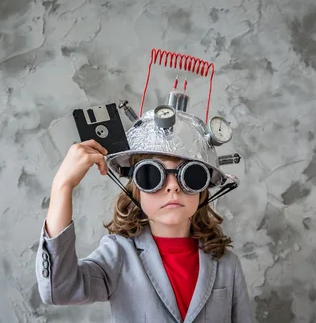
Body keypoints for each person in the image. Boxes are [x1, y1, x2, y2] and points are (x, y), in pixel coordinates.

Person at [35, 135, 255, 322]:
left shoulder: (227, 263)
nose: (173, 186)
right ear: (136, 191)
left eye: (190, 175)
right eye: (152, 175)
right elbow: (59, 289)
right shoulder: (119, 255)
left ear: (203, 190)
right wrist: (62, 185)